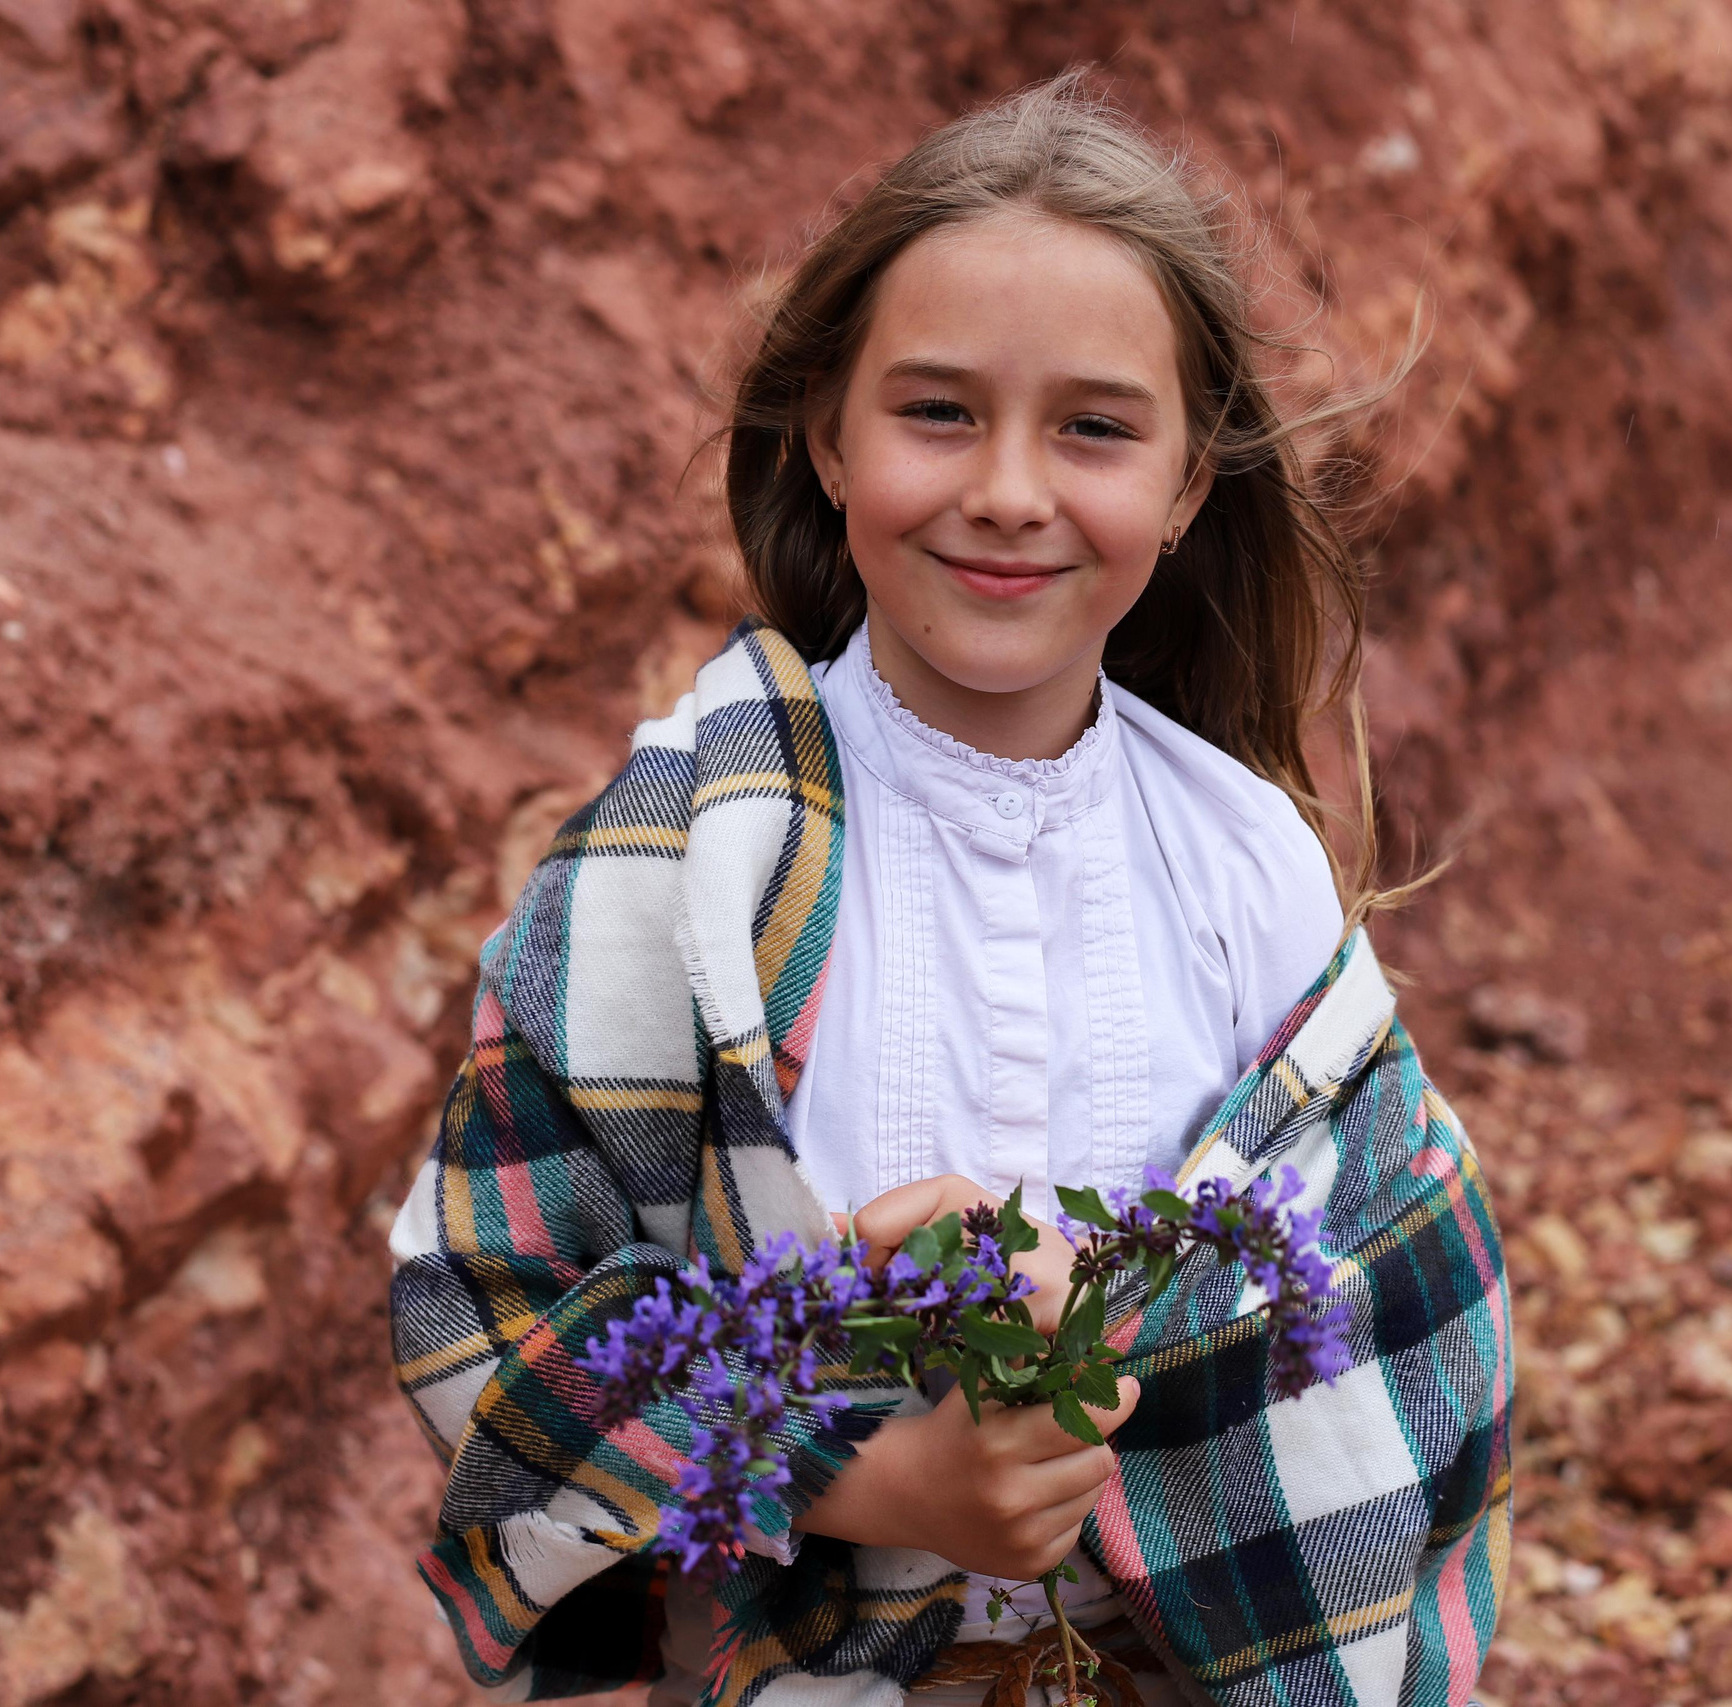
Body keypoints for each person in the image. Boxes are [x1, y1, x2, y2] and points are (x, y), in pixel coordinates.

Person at [387, 72, 1511, 1707]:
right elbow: (484, 1297)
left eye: (1097, 429)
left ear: (1189, 487)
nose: (1006, 489)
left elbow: (1409, 1318)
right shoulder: (681, 864)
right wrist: (872, 1479)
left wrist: (1114, 1352)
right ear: (827, 445)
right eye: (936, 412)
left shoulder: (1244, 861)